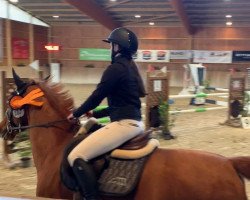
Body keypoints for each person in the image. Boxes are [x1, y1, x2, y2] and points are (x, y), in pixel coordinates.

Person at [67, 27, 146, 200]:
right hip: (136, 123)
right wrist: (95, 113)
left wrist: (76, 113)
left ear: (117, 47)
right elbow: (121, 104)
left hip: (124, 125)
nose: (110, 49)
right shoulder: (132, 68)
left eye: (111, 45)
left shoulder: (115, 68)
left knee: (76, 156)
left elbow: (97, 96)